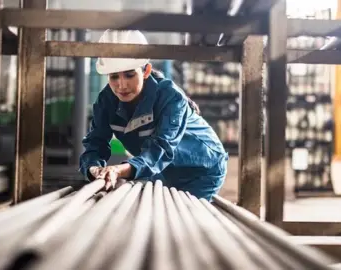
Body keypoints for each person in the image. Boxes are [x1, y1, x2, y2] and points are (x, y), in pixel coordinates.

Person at [79, 29, 229, 201]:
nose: (122, 85)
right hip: (162, 170)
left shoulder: (171, 97)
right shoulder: (106, 101)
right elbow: (95, 143)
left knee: (182, 220)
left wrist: (119, 170)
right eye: (114, 77)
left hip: (202, 169)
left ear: (146, 71)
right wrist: (94, 169)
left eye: (129, 75)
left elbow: (161, 149)